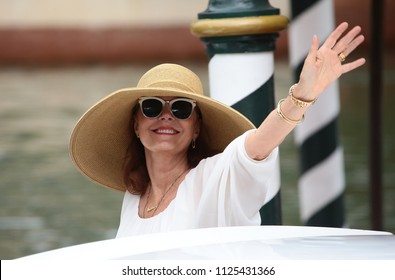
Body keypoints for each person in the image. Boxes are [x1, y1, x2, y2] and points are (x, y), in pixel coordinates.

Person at [69, 22, 365, 238]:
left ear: (196, 128)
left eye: (181, 109)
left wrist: (303, 95)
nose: (166, 116)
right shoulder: (135, 198)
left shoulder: (218, 176)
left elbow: (259, 145)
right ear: (136, 124)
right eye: (151, 107)